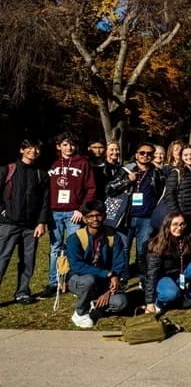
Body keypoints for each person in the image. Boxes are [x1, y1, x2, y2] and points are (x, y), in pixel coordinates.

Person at [43, 132, 97, 299]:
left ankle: (73, 280)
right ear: (59, 146)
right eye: (65, 144)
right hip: (55, 212)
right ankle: (54, 282)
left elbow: (91, 188)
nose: (69, 148)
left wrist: (81, 209)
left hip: (74, 212)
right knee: (55, 247)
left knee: (74, 247)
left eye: (72, 144)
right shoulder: (51, 163)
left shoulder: (83, 163)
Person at [0, 139, 50, 304]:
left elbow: (45, 200)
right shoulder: (7, 170)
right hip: (8, 224)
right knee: (2, 258)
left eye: (36, 148)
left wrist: (41, 222)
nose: (33, 151)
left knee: (28, 260)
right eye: (29, 148)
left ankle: (22, 292)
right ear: (22, 150)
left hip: (31, 226)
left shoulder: (41, 174)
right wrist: (3, 212)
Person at [65, 200, 127, 328]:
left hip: (104, 282)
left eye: (98, 215)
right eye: (90, 216)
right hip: (79, 279)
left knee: (120, 303)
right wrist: (107, 273)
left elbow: (119, 263)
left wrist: (110, 290)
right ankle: (80, 312)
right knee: (89, 280)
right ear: (84, 219)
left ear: (104, 216)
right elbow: (76, 266)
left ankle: (93, 303)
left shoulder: (113, 236)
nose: (95, 219)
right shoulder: (75, 238)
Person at [109, 142, 165, 281]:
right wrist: (127, 180)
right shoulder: (125, 170)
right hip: (126, 217)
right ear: (136, 155)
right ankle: (123, 276)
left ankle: (142, 277)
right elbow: (110, 189)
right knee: (124, 249)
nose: (145, 156)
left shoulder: (157, 173)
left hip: (146, 218)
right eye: (142, 153)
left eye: (149, 154)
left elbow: (161, 194)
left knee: (143, 250)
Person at [144, 212, 191, 312]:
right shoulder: (157, 244)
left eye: (182, 224)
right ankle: (158, 301)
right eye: (175, 224)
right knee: (171, 293)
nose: (179, 227)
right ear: (167, 225)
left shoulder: (187, 238)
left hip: (180, 273)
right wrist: (149, 302)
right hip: (162, 277)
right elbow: (151, 274)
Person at [163, 145, 191, 221]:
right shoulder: (176, 172)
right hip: (182, 213)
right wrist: (177, 214)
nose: (189, 157)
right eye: (185, 155)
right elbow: (169, 195)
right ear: (181, 157)